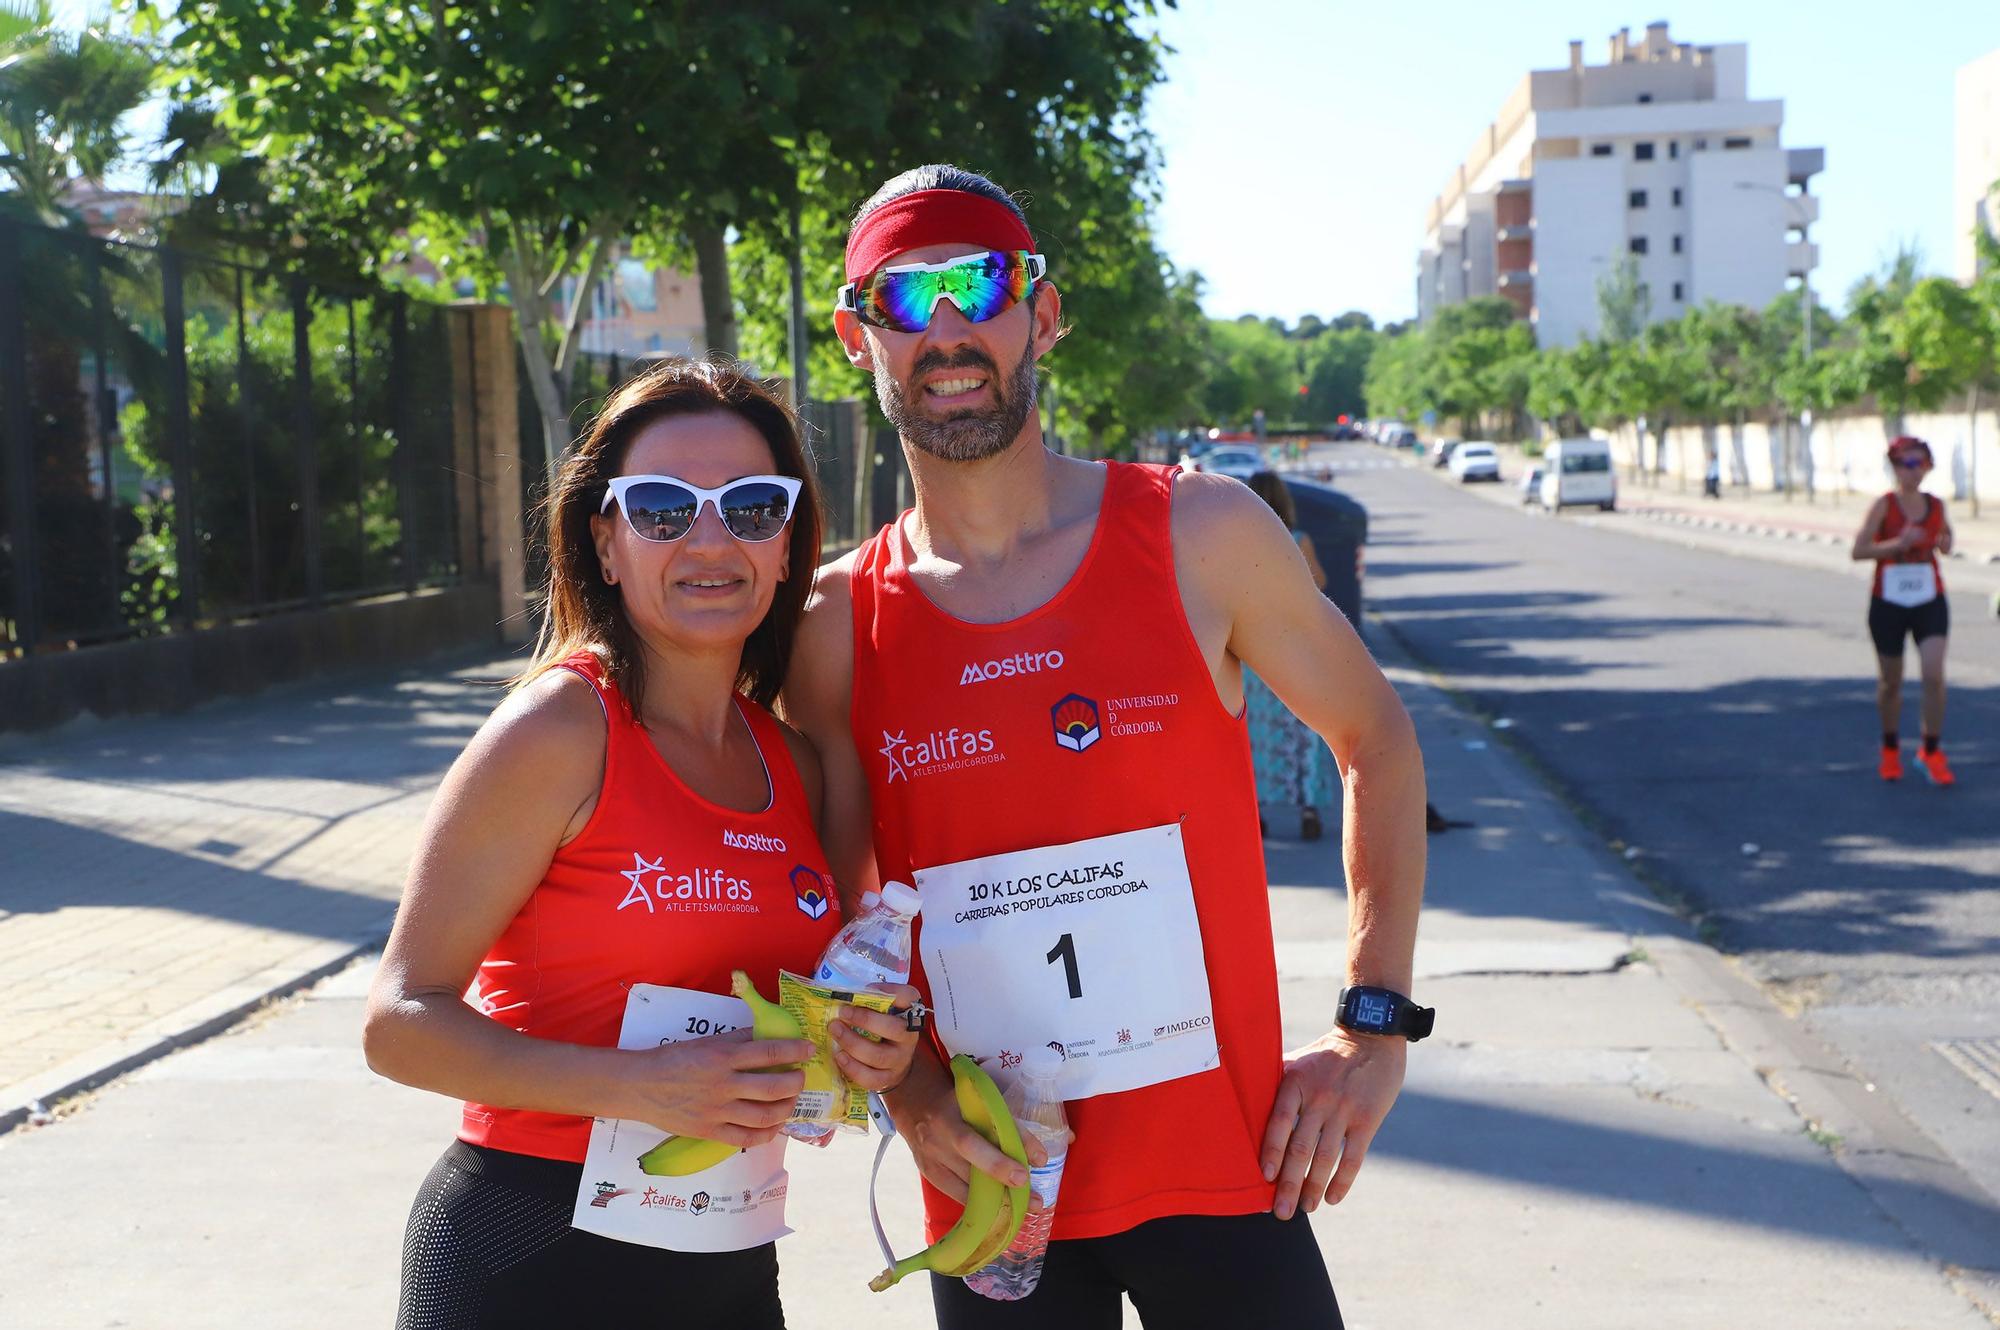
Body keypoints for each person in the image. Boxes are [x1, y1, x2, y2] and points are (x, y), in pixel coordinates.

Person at [785, 165, 1427, 1328]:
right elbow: (839, 919)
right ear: (852, 333)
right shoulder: (836, 625)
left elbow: (1373, 738)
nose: (944, 328)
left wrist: (1371, 1028)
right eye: (901, 296)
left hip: (1228, 1169)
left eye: (979, 283)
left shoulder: (1197, 531)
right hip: (993, 1188)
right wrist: (914, 1098)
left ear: (1042, 312)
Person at [364, 360, 923, 1329]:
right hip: (530, 1259)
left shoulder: (793, 761)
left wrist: (862, 1047)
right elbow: (398, 1021)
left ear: (788, 545)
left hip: (727, 1267)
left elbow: (807, 1006)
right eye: (662, 508)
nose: (710, 538)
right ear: (606, 543)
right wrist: (634, 1086)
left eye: (752, 506)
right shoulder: (559, 729)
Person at [1851, 435, 1955, 785]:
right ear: (1895, 467)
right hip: (1889, 601)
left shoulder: (1936, 505)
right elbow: (1858, 550)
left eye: (1922, 463)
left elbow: (1946, 538)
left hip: (1929, 597)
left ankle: (1931, 749)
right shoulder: (1885, 506)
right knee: (1890, 683)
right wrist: (1898, 544)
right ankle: (1891, 748)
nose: (1916, 471)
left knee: (1934, 674)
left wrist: (1945, 542)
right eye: (1908, 464)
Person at [1244, 470, 1333, 840]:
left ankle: (1257, 811)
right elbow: (1320, 583)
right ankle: (1308, 807)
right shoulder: (1297, 540)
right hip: (1295, 649)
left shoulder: (1238, 543)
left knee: (1256, 732)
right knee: (1301, 731)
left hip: (1252, 648)